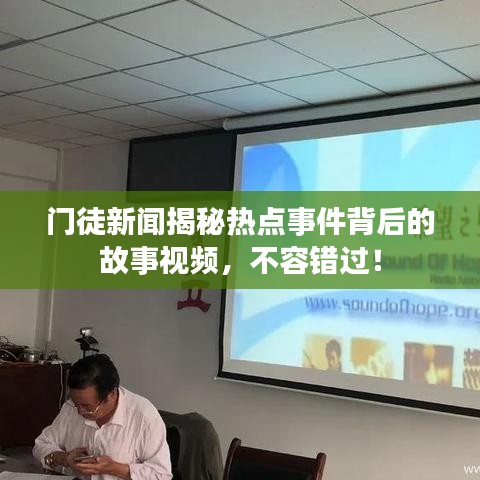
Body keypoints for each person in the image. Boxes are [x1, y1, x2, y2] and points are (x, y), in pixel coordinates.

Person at [33, 354, 172, 480]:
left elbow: (162, 475)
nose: (79, 412)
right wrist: (65, 458)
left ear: (111, 394)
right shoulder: (71, 407)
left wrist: (114, 468)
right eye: (76, 403)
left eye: (87, 406)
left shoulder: (143, 416)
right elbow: (41, 444)